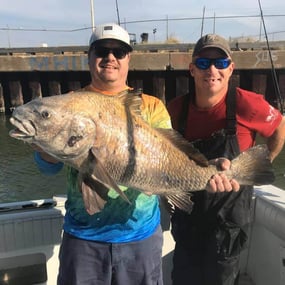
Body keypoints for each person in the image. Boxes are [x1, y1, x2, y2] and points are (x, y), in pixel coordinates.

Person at [33, 23, 172, 285]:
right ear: (89, 57)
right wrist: (47, 150)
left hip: (140, 237)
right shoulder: (70, 102)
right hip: (83, 237)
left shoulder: (152, 106)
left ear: (128, 59)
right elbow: (47, 167)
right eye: (101, 51)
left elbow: (169, 158)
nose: (110, 58)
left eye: (119, 52)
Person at [167, 33, 285, 285]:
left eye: (220, 63)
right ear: (191, 69)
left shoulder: (248, 103)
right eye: (203, 63)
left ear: (231, 69)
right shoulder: (176, 110)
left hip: (229, 218)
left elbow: (279, 128)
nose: (212, 70)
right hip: (189, 216)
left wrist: (258, 166)